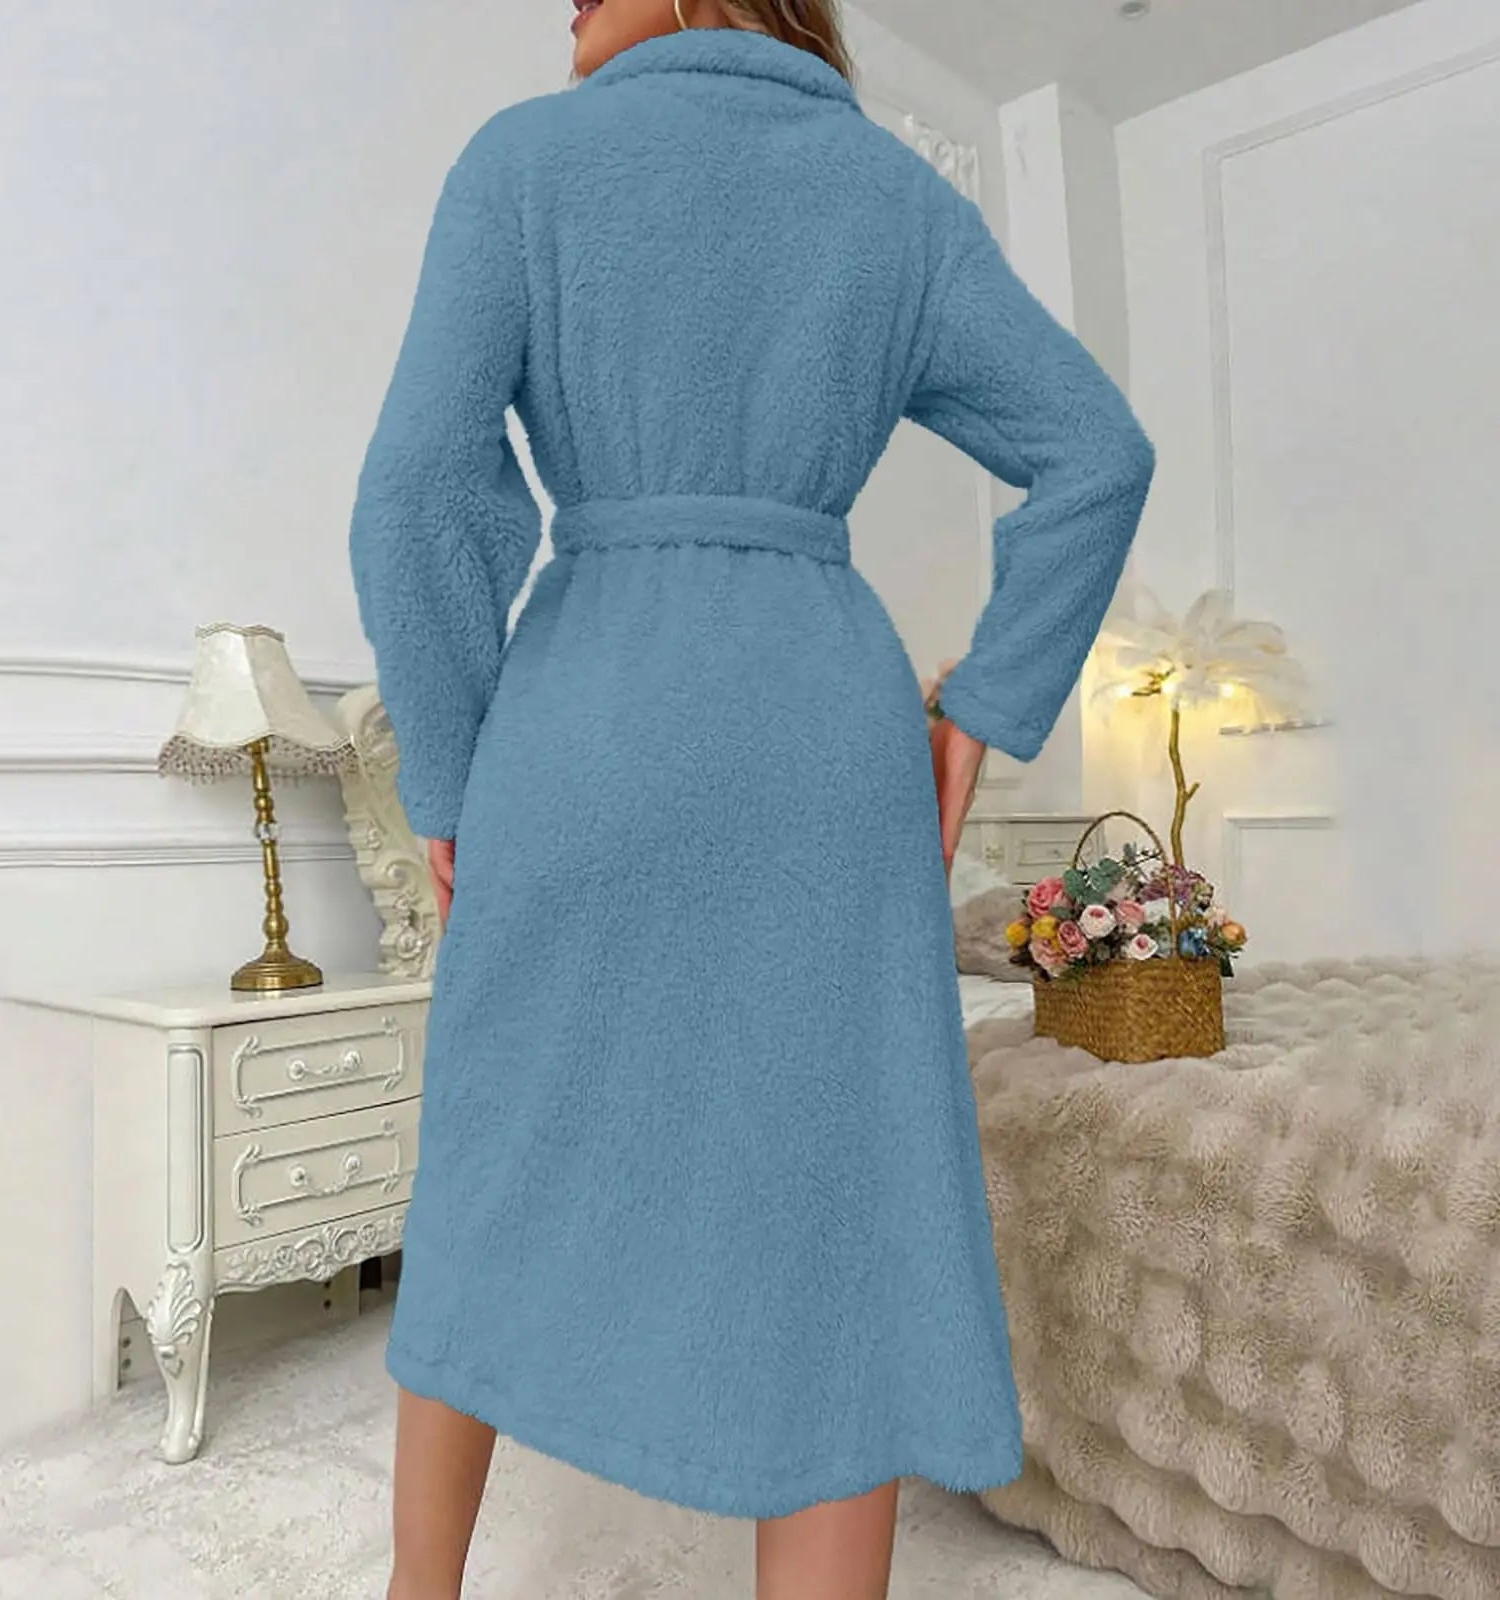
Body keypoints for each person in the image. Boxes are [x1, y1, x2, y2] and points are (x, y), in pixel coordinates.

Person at [348, 1, 1155, 1595]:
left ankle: (416, 1589)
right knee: (826, 1202)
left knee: (500, 1155)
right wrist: (982, 709)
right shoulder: (896, 199)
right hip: (823, 734)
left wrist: (448, 763)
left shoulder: (525, 162)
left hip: (585, 718)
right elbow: (1096, 452)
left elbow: (418, 492)